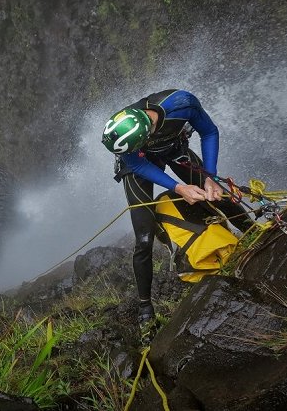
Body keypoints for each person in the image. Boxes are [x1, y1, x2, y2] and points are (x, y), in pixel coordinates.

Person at [101, 89, 254, 337]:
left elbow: (209, 131)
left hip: (173, 147)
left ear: (147, 129)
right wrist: (179, 187)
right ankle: (145, 306)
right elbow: (139, 163)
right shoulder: (122, 131)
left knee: (217, 194)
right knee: (144, 237)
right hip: (139, 164)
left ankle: (255, 232)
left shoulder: (181, 104)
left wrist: (210, 176)